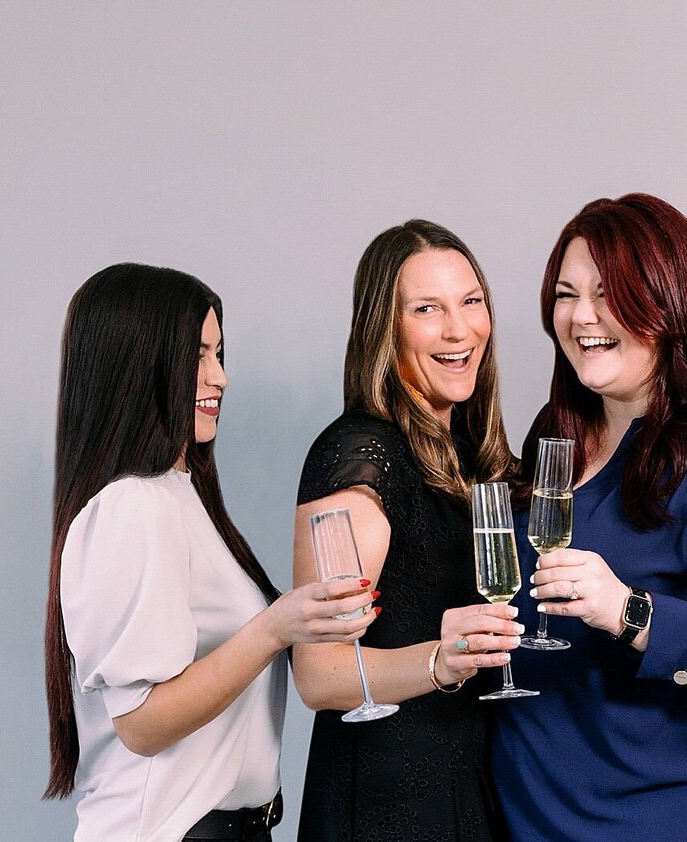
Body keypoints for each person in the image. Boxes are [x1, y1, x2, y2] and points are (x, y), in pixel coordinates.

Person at [490, 194, 687, 841]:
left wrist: (629, 611)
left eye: (610, 294)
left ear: (671, 301)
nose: (582, 316)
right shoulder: (557, 433)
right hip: (537, 818)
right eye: (566, 293)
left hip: (665, 818)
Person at [43, 263, 378, 841]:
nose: (218, 377)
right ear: (138, 366)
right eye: (197, 356)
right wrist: (274, 628)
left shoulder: (181, 496)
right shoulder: (132, 507)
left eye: (219, 354)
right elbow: (142, 724)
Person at [292, 220, 520, 841]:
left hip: (468, 777)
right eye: (428, 310)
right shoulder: (362, 454)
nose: (459, 330)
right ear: (385, 330)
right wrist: (441, 663)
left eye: (471, 302)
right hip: (389, 797)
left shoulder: (477, 454)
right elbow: (318, 674)